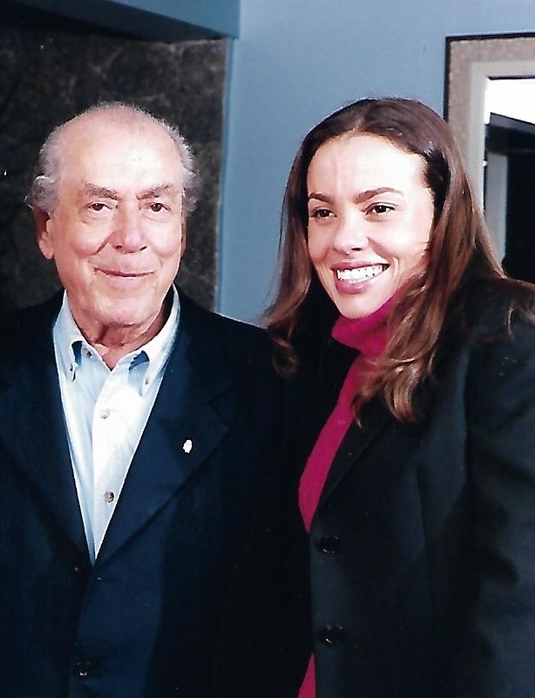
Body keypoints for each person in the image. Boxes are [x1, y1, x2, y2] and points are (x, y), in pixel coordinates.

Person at [0, 103, 298, 697]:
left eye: (156, 207)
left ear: (182, 230)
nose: (130, 238)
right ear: (45, 228)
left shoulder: (268, 381)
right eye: (99, 206)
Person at [223, 96, 535, 697]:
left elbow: (519, 599)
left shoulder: (506, 334)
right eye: (323, 212)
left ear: (442, 216)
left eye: (380, 209)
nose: (344, 239)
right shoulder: (320, 354)